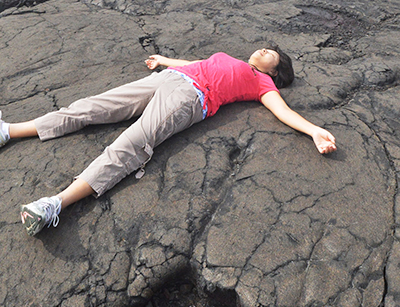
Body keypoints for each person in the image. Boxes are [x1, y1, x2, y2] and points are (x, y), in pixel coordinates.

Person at [0, 47, 336, 236]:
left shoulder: (265, 85)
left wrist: (313, 130)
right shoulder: (230, 59)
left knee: (134, 142)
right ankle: (9, 131)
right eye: (267, 47)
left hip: (191, 99)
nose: (266, 49)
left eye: (273, 54)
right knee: (91, 106)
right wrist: (163, 61)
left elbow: (283, 111)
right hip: (169, 78)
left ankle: (54, 204)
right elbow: (197, 63)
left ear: (276, 71)